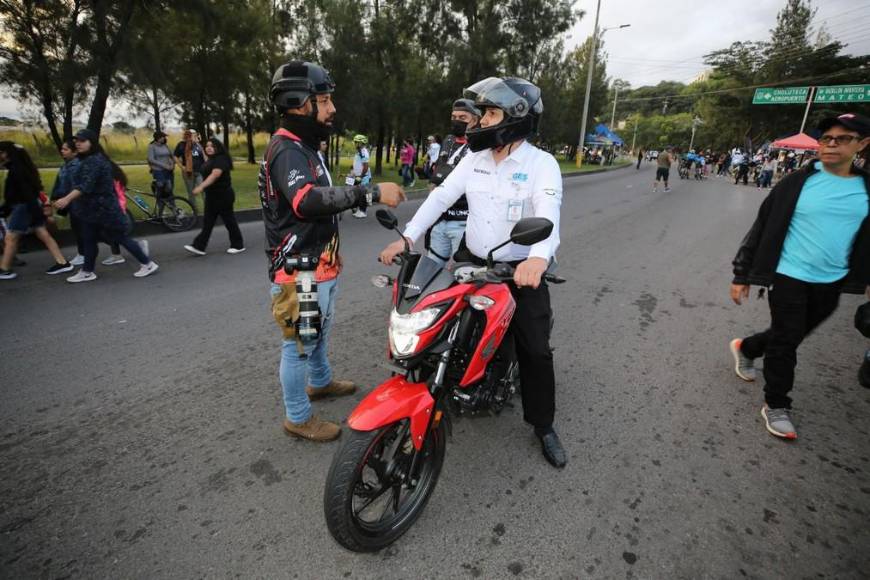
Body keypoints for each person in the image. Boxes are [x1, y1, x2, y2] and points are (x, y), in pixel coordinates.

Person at [378, 76, 567, 469]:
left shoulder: (541, 164)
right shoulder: (474, 159)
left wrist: (537, 259)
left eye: (490, 114)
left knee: (535, 348)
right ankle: (445, 385)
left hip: (519, 269)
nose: (479, 122)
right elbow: (441, 196)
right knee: (439, 318)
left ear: (515, 118)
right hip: (472, 258)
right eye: (481, 114)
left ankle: (543, 424)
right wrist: (409, 238)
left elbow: (548, 211)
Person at [260, 60, 405, 442]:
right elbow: (306, 201)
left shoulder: (306, 148)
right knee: (298, 345)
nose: (332, 109)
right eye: (324, 101)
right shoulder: (287, 151)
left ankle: (320, 382)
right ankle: (298, 416)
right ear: (299, 103)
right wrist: (369, 192)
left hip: (318, 264)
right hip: (300, 270)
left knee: (317, 332)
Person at [728, 113, 870, 440]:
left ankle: (747, 348)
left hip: (832, 280)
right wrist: (743, 274)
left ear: (861, 144)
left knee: (787, 335)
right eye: (826, 138)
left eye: (842, 138)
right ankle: (776, 404)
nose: (831, 144)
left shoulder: (866, 188)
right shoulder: (797, 183)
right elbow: (762, 227)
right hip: (788, 274)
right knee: (787, 339)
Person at [53, 129, 159, 282]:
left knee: (119, 237)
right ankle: (87, 271)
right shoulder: (86, 159)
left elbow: (85, 185)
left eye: (82, 141)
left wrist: (66, 199)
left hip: (104, 209)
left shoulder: (95, 160)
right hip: (91, 210)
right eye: (77, 141)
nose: (78, 144)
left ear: (91, 142)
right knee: (89, 238)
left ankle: (147, 263)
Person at [0, 142, 73, 279]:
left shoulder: (16, 170)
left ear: (7, 154)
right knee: (43, 234)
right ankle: (62, 262)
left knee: (11, 237)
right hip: (30, 206)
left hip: (24, 207)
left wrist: (7, 208)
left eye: (1, 152)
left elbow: (23, 193)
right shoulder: (24, 169)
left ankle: (4, 268)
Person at [425, 98, 480, 263]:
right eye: (454, 117)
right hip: (441, 219)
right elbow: (438, 172)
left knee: (463, 275)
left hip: (464, 223)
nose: (456, 121)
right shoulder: (448, 140)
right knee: (431, 270)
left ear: (475, 120)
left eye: (462, 118)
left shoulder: (481, 145)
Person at [183, 138, 244, 255]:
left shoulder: (221, 159)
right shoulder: (211, 160)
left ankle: (238, 245)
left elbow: (215, 175)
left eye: (212, 146)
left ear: (218, 147)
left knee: (229, 221)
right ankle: (199, 246)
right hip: (211, 196)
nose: (208, 148)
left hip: (223, 195)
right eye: (207, 146)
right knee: (208, 222)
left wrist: (201, 187)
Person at [50, 139, 85, 266]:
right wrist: (55, 197)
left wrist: (64, 199)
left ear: (75, 152)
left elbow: (76, 187)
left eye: (65, 149)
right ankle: (83, 254)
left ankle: (84, 255)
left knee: (88, 230)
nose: (62, 151)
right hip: (70, 203)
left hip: (79, 203)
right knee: (79, 229)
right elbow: (59, 183)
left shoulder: (77, 166)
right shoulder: (65, 166)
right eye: (62, 149)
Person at [174, 129, 205, 211]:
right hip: (188, 172)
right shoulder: (181, 144)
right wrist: (182, 167)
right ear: (188, 135)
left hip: (199, 172)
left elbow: (204, 157)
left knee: (204, 190)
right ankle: (195, 210)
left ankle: (208, 209)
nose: (196, 136)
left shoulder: (198, 145)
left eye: (196, 134)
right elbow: (175, 156)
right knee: (191, 193)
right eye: (194, 134)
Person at [349, 134, 372, 219]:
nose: (354, 144)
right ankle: (357, 208)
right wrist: (352, 171)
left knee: (363, 194)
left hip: (364, 176)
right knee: (355, 191)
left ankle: (363, 211)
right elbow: (357, 163)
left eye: (356, 142)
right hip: (357, 175)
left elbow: (365, 166)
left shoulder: (363, 153)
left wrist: (361, 177)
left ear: (360, 143)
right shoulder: (359, 151)